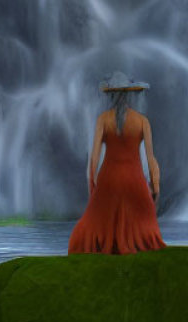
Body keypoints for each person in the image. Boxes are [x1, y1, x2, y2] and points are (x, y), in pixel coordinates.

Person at [67, 71, 165, 255]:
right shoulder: (142, 121)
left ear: (111, 94)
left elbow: (94, 159)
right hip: (134, 180)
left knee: (90, 226)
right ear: (129, 94)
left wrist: (93, 186)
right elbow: (151, 159)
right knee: (145, 227)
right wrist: (155, 186)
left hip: (108, 180)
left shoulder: (103, 119)